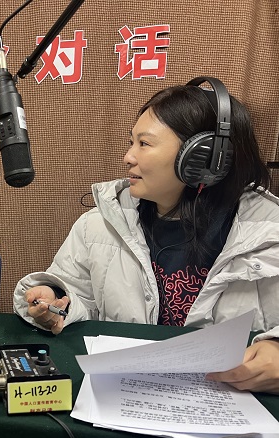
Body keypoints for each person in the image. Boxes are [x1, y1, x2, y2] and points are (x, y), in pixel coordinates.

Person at [14, 76, 279, 393]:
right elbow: (76, 294)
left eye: (144, 143)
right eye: (131, 142)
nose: (128, 157)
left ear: (205, 157)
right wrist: (55, 302)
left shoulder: (270, 233)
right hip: (128, 394)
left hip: (229, 400)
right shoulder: (98, 225)